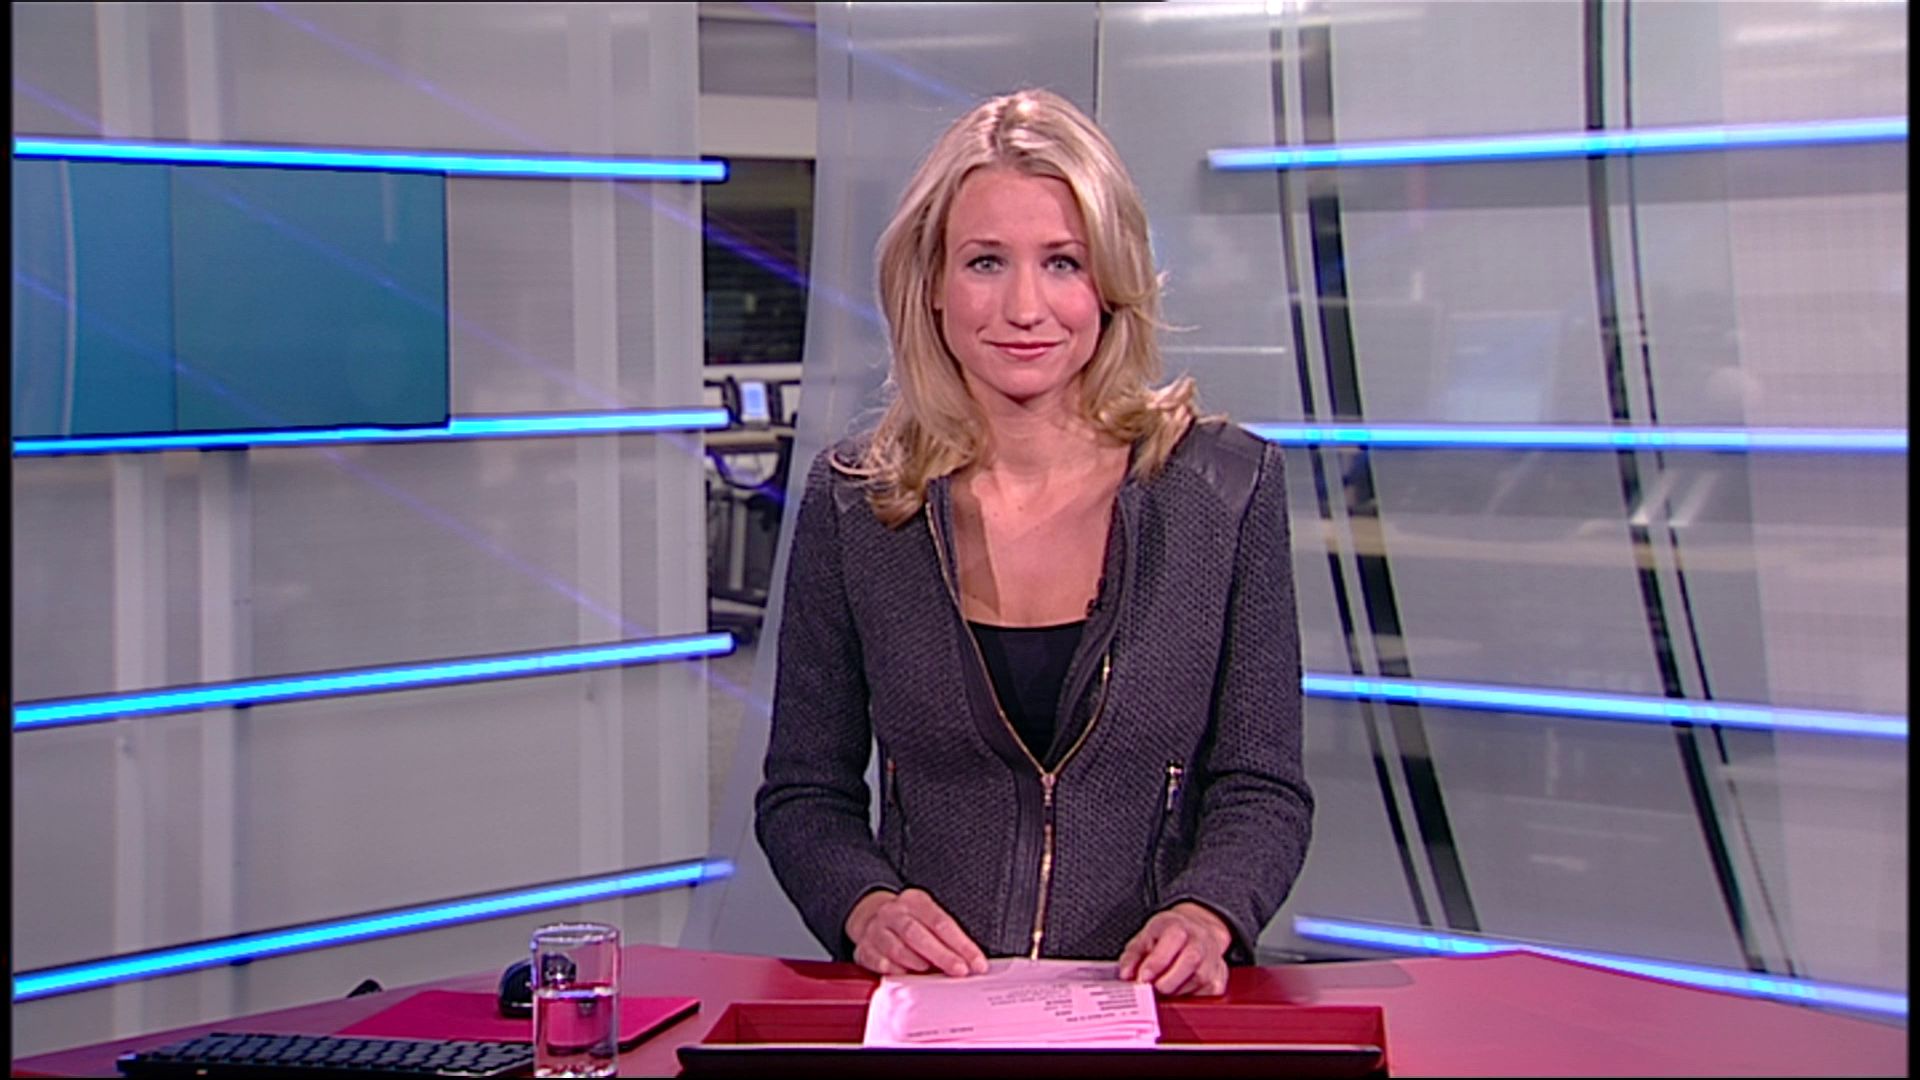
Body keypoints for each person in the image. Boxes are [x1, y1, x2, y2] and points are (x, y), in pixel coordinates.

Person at [754, 88, 1311, 998]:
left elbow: (1262, 787)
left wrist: (1208, 912)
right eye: (985, 262)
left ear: (1111, 282)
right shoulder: (858, 504)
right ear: (931, 286)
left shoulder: (1225, 489)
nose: (1025, 307)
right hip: (936, 1009)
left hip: (1150, 1010)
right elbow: (804, 793)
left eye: (1062, 262)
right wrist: (865, 904)